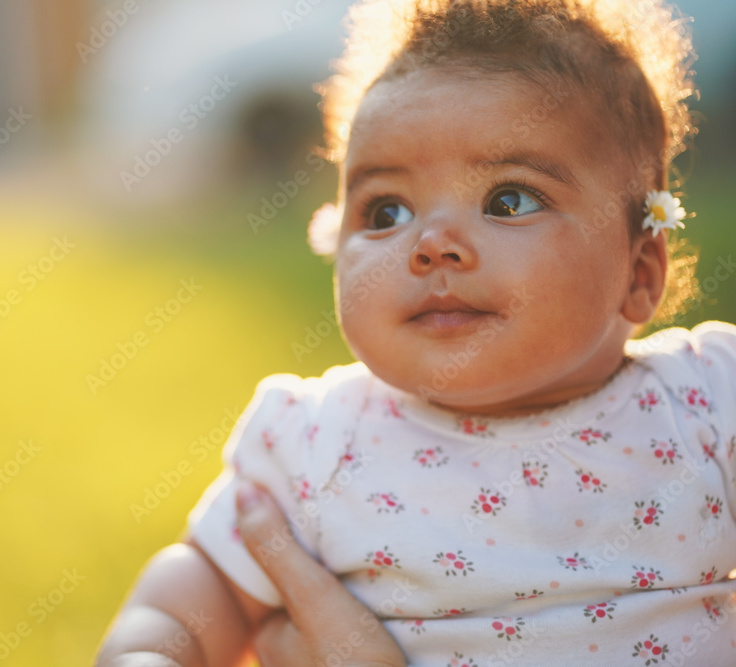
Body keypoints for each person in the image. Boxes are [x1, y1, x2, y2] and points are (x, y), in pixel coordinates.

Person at [96, 0, 736, 664]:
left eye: (507, 200)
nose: (432, 244)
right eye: (386, 209)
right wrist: (152, 650)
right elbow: (201, 597)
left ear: (639, 271)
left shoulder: (704, 406)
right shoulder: (318, 441)